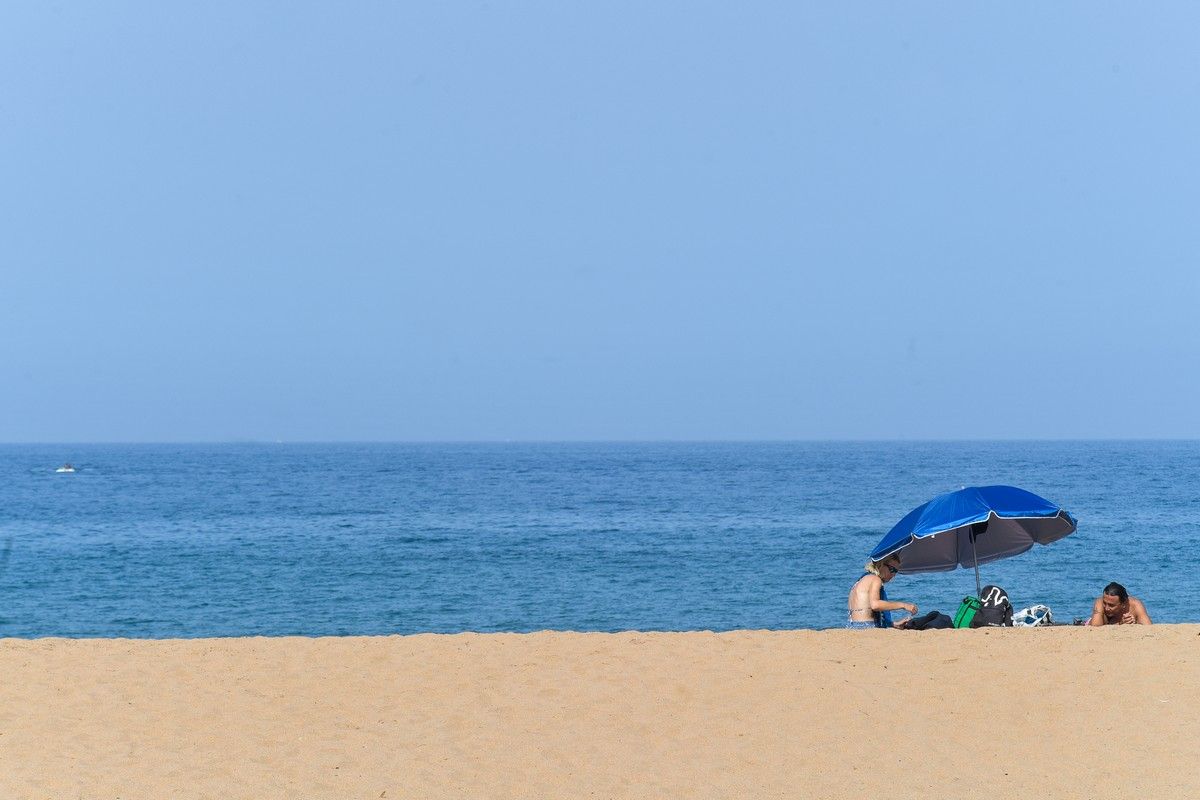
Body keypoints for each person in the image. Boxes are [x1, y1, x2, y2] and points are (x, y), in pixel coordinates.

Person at [847, 555, 918, 629]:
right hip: (867, 626)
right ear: (881, 564)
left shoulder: (860, 581)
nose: (893, 575)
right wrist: (903, 605)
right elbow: (875, 605)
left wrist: (893, 624)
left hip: (852, 626)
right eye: (891, 569)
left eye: (896, 572)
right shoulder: (875, 579)